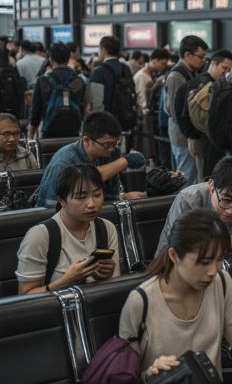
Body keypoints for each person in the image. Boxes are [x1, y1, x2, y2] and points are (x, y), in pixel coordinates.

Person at [120, 209, 232, 384]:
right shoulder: (141, 302)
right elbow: (126, 375)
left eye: (219, 259)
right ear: (174, 256)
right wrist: (151, 374)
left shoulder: (221, 282)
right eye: (204, 262)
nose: (213, 271)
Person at [17, 164, 121, 294]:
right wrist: (66, 281)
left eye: (97, 194)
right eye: (81, 197)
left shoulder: (107, 228)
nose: (92, 204)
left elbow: (114, 286)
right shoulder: (41, 235)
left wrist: (104, 275)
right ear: (62, 201)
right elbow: (25, 296)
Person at [156, 157, 232, 255]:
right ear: (211, 186)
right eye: (226, 200)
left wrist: (224, 242)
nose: (231, 210)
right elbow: (175, 247)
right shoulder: (189, 200)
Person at [35, 112, 145, 208]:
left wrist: (123, 197)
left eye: (114, 143)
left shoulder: (111, 154)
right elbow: (50, 206)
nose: (111, 149)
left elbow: (112, 195)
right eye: (106, 144)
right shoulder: (63, 162)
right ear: (87, 140)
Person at [165, 35, 209, 187]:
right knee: (186, 178)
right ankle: (183, 210)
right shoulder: (176, 76)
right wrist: (190, 135)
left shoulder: (191, 72)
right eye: (200, 56)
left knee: (193, 177)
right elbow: (175, 110)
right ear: (187, 55)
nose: (203, 60)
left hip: (188, 135)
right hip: (182, 137)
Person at [28, 42, 86, 139]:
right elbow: (84, 108)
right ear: (68, 58)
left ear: (51, 59)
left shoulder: (43, 80)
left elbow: (35, 110)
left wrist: (30, 134)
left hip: (49, 131)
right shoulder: (78, 80)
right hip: (73, 131)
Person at [194, 49, 232, 179]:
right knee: (204, 178)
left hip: (210, 139)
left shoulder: (216, 85)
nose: (225, 72)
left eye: (228, 69)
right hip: (203, 139)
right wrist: (191, 136)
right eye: (224, 67)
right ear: (213, 63)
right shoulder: (205, 84)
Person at [87, 36, 129, 113]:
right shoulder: (125, 68)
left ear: (103, 50)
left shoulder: (98, 71)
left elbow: (97, 104)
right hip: (125, 116)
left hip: (108, 118)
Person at [134, 48, 170, 113]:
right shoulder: (142, 76)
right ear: (155, 61)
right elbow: (142, 100)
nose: (164, 67)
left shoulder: (153, 74)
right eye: (163, 64)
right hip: (143, 115)